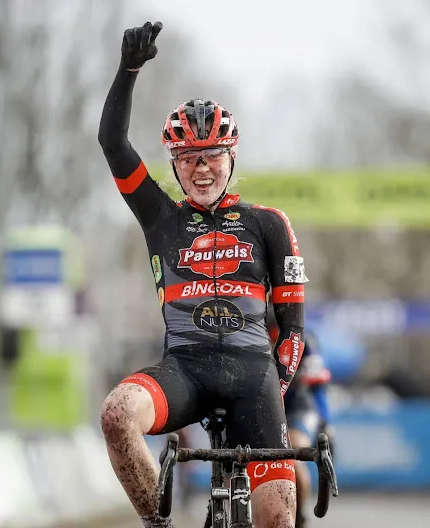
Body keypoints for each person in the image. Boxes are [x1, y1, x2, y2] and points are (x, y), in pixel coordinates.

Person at [97, 21, 309, 528]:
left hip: (254, 378)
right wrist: (128, 71)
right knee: (117, 415)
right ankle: (160, 523)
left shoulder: (269, 223)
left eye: (212, 154)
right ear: (175, 165)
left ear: (230, 157)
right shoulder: (161, 217)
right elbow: (112, 141)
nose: (202, 168)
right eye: (188, 158)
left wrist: (272, 392)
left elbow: (294, 325)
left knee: (278, 519)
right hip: (184, 372)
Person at [267, 316, 332, 528]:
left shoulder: (305, 337)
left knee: (292, 451)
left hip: (297, 407)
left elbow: (318, 386)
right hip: (262, 405)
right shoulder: (246, 325)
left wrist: (326, 421)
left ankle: (299, 517)